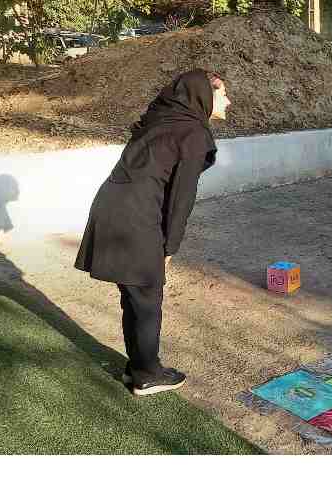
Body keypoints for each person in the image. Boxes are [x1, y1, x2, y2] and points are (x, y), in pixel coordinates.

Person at [74, 69, 229, 396]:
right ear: (203, 96)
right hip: (135, 216)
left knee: (135, 296)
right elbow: (180, 200)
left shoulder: (162, 119)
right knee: (146, 296)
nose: (229, 100)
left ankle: (137, 366)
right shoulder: (193, 133)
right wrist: (169, 247)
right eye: (222, 93)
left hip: (111, 206)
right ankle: (147, 373)